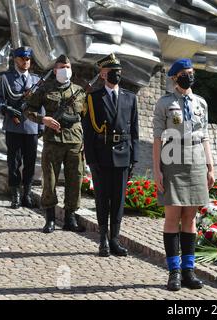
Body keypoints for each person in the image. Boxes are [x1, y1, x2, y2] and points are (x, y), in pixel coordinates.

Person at [153, 58, 214, 291]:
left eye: (191, 72)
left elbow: (205, 136)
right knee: (172, 217)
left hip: (197, 161)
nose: (189, 76)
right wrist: (157, 169)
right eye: (184, 73)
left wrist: (210, 167)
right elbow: (158, 138)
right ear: (175, 77)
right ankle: (174, 272)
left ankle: (189, 271)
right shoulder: (165, 103)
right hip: (172, 160)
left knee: (190, 218)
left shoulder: (201, 103)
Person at [82, 53, 139, 257]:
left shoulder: (130, 97)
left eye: (119, 72)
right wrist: (91, 160)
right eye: (113, 72)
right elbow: (88, 133)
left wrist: (135, 158)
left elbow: (134, 132)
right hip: (102, 155)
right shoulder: (93, 98)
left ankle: (115, 238)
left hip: (123, 155)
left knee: (118, 200)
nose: (117, 75)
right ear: (103, 74)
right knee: (102, 200)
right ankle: (103, 239)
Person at [24, 54, 86, 233]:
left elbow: (86, 118)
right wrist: (44, 119)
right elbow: (28, 109)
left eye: (67, 67)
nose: (64, 70)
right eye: (61, 67)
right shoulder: (45, 88)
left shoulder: (80, 91)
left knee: (75, 180)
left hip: (74, 141)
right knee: (49, 180)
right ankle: (50, 218)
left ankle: (70, 218)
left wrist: (86, 141)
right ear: (55, 70)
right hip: (53, 141)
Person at [0, 46, 43, 209]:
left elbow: (41, 103)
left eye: (28, 59)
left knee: (30, 162)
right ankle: (15, 195)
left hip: (31, 127)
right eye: (22, 58)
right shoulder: (7, 79)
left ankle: (27, 194)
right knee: (14, 163)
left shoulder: (36, 80)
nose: (26, 61)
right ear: (15, 59)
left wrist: (41, 124)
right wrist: (4, 108)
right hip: (13, 127)